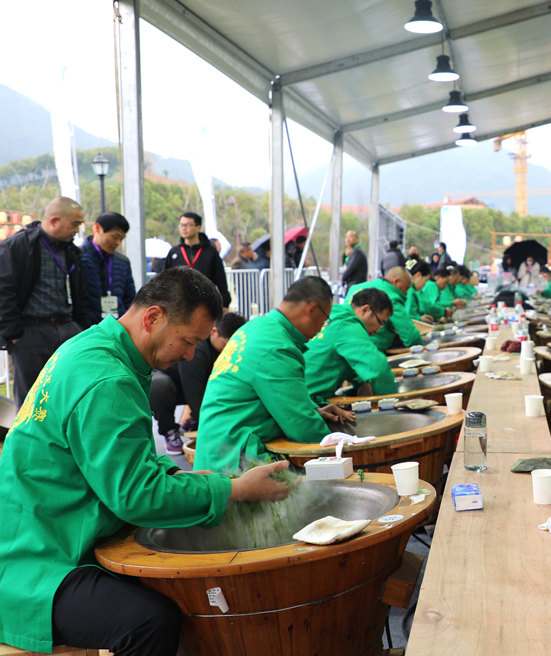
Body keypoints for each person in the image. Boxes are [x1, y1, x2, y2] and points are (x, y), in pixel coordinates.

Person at [0, 266, 291, 656]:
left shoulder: (99, 347)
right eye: (187, 341)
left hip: (46, 526)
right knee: (151, 621)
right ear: (153, 317)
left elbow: (126, 453)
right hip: (39, 562)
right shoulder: (107, 378)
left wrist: (176, 472)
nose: (190, 355)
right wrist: (234, 488)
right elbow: (135, 496)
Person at [194, 277, 356, 473]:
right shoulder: (276, 347)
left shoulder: (258, 327)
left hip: (218, 449)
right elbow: (303, 427)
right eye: (324, 321)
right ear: (311, 309)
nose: (321, 329)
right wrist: (349, 452)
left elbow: (270, 397)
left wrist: (313, 409)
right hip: (233, 459)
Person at [0, 197, 91, 408]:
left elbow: (82, 293)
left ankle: (65, 440)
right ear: (54, 221)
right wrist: (15, 334)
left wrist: (83, 329)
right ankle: (30, 441)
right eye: (75, 223)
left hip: (68, 328)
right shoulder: (18, 245)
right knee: (32, 400)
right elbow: (3, 292)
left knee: (71, 395)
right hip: (31, 332)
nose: (78, 230)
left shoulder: (71, 250)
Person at [149, 311, 248, 451]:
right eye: (225, 344)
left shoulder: (230, 352)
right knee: (161, 387)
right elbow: (194, 393)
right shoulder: (197, 351)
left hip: (196, 384)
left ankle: (194, 421)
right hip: (172, 382)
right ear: (214, 332)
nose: (227, 350)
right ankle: (169, 431)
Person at [304, 287, 398, 402]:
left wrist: (362, 382)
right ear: (365, 310)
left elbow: (347, 359)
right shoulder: (349, 326)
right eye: (380, 322)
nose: (378, 330)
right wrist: (394, 400)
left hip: (298, 392)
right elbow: (379, 368)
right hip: (307, 402)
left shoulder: (335, 311)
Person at [162, 212, 231, 308]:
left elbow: (220, 278)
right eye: (181, 225)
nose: (184, 228)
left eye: (188, 225)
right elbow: (165, 278)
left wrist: (225, 303)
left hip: (204, 302)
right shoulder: (174, 252)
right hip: (179, 302)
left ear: (198, 227)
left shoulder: (210, 252)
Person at [80, 211, 136, 326]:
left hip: (116, 328)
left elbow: (130, 300)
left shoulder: (122, 262)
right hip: (86, 330)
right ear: (98, 228)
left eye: (122, 239)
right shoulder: (78, 257)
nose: (117, 242)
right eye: (115, 237)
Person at [347, 266, 423, 351]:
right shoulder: (392, 297)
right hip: (369, 349)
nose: (405, 294)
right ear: (396, 282)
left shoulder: (355, 288)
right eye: (406, 289)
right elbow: (410, 335)